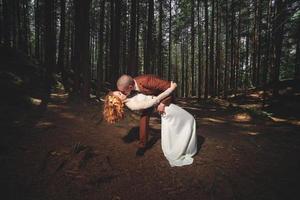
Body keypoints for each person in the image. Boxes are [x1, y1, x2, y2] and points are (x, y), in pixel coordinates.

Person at [103, 80, 198, 167]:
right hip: (163, 107)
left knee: (183, 123)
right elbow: (155, 100)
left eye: (119, 91)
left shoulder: (129, 95)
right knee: (189, 120)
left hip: (164, 105)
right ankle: (181, 149)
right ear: (119, 101)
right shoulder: (132, 105)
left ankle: (183, 145)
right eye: (119, 94)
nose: (122, 92)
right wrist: (171, 89)